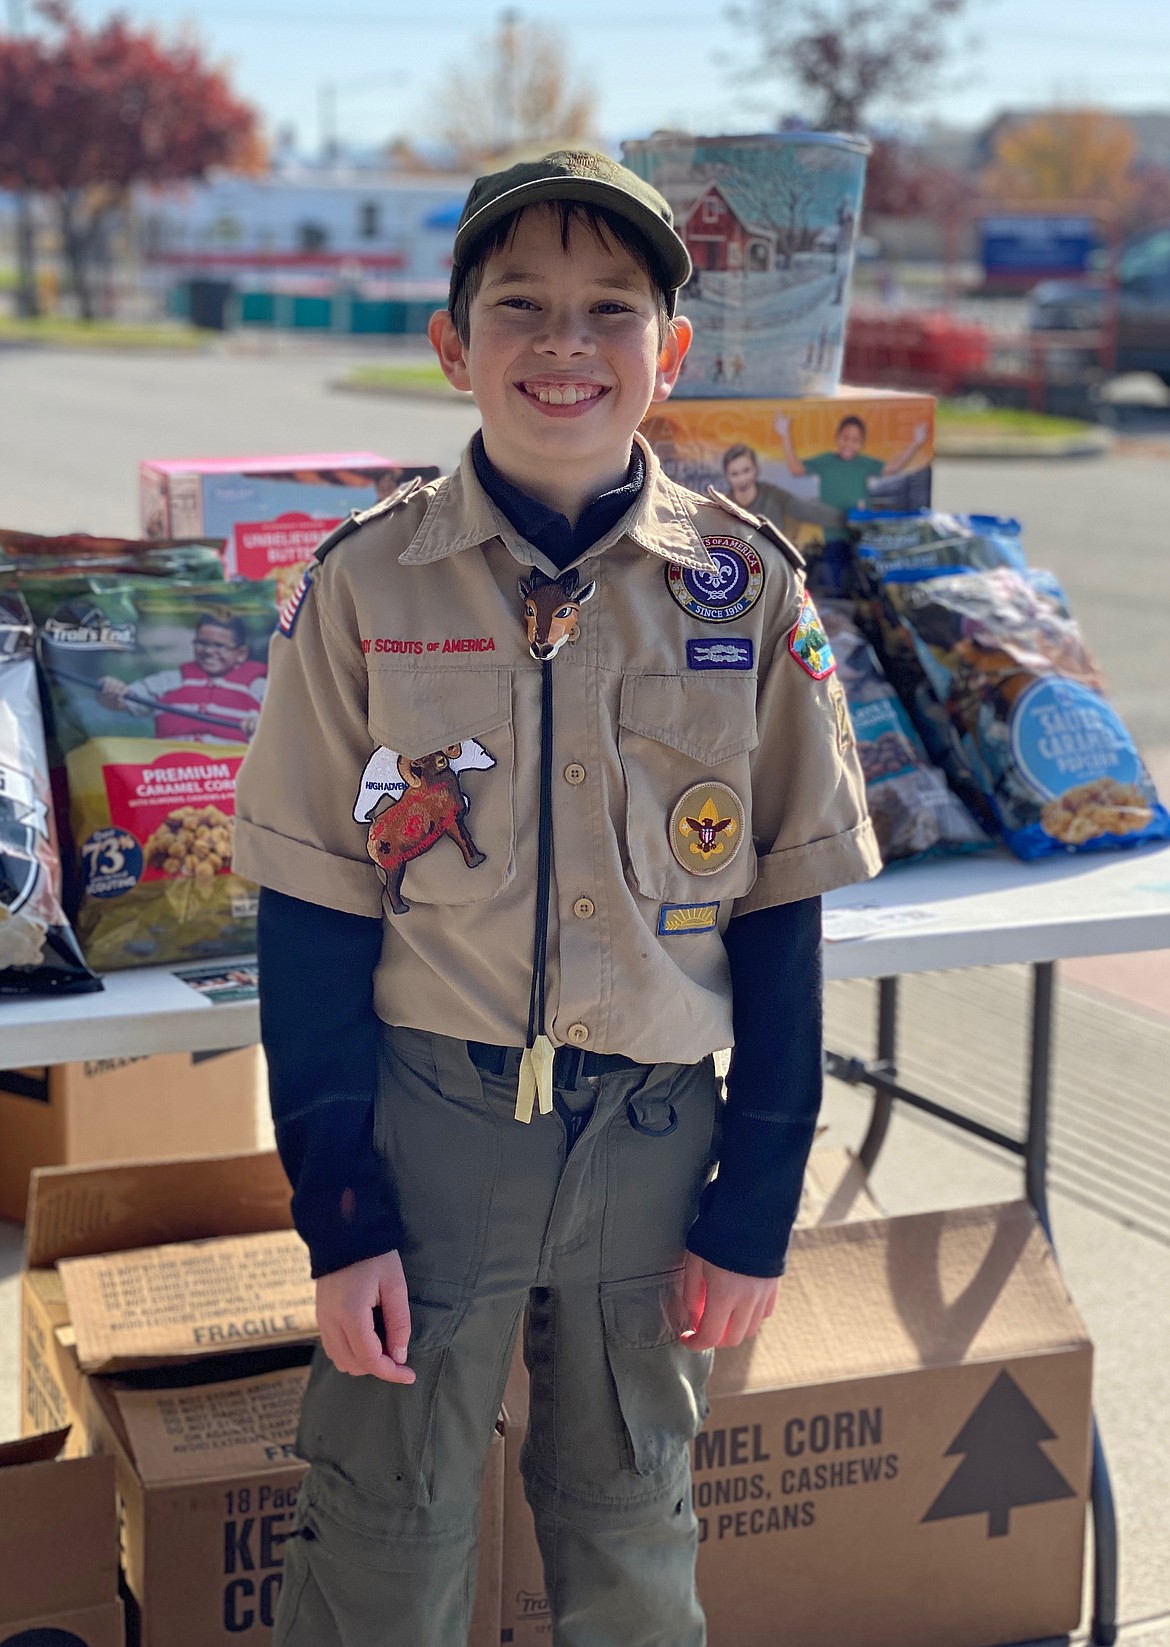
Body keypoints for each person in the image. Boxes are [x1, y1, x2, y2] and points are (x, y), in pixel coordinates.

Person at [235, 149, 879, 1647]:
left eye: (610, 309)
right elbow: (314, 909)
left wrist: (762, 1197)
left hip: (656, 1143)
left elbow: (783, 906)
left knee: (634, 1520)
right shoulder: (364, 587)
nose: (564, 344)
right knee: (381, 1533)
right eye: (517, 305)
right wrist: (338, 1210)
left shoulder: (748, 588)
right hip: (429, 1126)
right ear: (453, 344)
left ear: (672, 352)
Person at [97, 610, 266, 742]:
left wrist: (264, 725)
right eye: (202, 643)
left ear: (241, 654)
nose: (208, 651)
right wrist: (109, 690)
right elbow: (121, 701)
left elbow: (284, 724)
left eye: (219, 646)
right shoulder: (168, 681)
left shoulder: (259, 687)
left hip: (229, 776)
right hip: (174, 772)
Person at [775, 410, 930, 516]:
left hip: (860, 523)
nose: (849, 444)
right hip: (833, 528)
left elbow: (893, 468)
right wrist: (785, 434)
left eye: (855, 440)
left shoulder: (863, 463)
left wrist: (916, 442)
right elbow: (795, 469)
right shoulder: (826, 461)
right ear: (837, 438)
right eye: (845, 438)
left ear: (861, 444)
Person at [721, 442, 844, 543]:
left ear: (756, 468)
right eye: (734, 474)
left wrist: (845, 520)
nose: (742, 479)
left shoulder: (773, 495)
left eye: (746, 470)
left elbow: (807, 510)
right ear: (726, 476)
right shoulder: (722, 507)